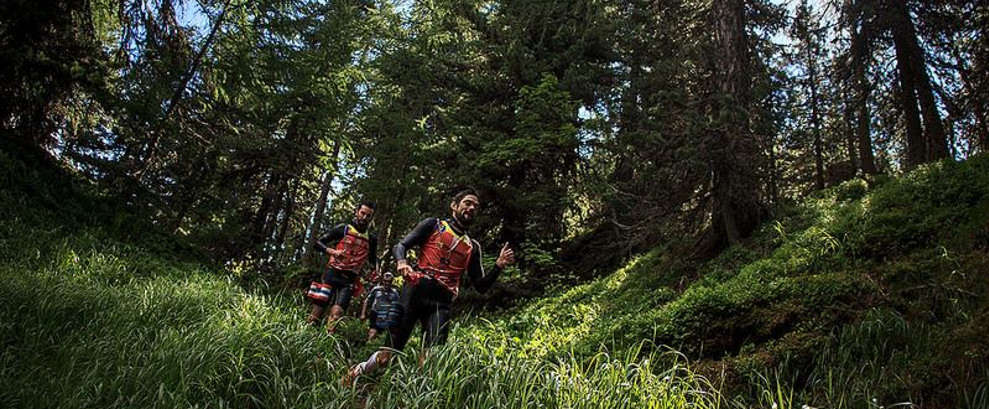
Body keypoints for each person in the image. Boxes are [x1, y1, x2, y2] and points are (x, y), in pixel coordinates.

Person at [342, 188, 516, 385]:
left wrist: (498, 266)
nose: (472, 208)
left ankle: (412, 398)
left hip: (441, 303)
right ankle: (359, 370)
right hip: (414, 292)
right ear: (454, 206)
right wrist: (402, 262)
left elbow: (481, 286)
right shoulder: (433, 225)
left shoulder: (472, 246)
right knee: (386, 356)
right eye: (467, 203)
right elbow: (400, 246)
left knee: (431, 359)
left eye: (476, 206)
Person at [306, 201, 378, 334]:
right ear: (357, 212)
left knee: (337, 312)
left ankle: (326, 342)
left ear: (371, 218)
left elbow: (373, 259)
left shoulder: (372, 238)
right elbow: (317, 242)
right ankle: (305, 338)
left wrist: (374, 271)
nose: (364, 218)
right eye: (362, 213)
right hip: (332, 273)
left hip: (349, 279)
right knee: (318, 310)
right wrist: (332, 251)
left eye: (368, 216)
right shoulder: (343, 229)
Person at [361, 272, 401, 342]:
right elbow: (367, 300)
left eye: (389, 282)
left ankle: (372, 346)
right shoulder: (376, 289)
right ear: (383, 281)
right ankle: (368, 344)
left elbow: (397, 306)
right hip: (375, 313)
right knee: (373, 332)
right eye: (385, 281)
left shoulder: (394, 293)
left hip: (386, 316)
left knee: (381, 335)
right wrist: (363, 314)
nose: (387, 283)